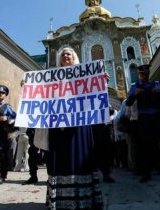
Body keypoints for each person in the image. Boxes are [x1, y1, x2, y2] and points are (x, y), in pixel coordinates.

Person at [46, 47, 103, 210]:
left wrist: (101, 81)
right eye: (62, 54)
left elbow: (94, 93)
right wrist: (28, 86)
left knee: (79, 156)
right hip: (58, 124)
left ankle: (83, 198)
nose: (65, 56)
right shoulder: (52, 77)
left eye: (68, 53)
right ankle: (60, 200)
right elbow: (41, 94)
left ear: (74, 57)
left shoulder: (84, 74)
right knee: (61, 157)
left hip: (80, 124)